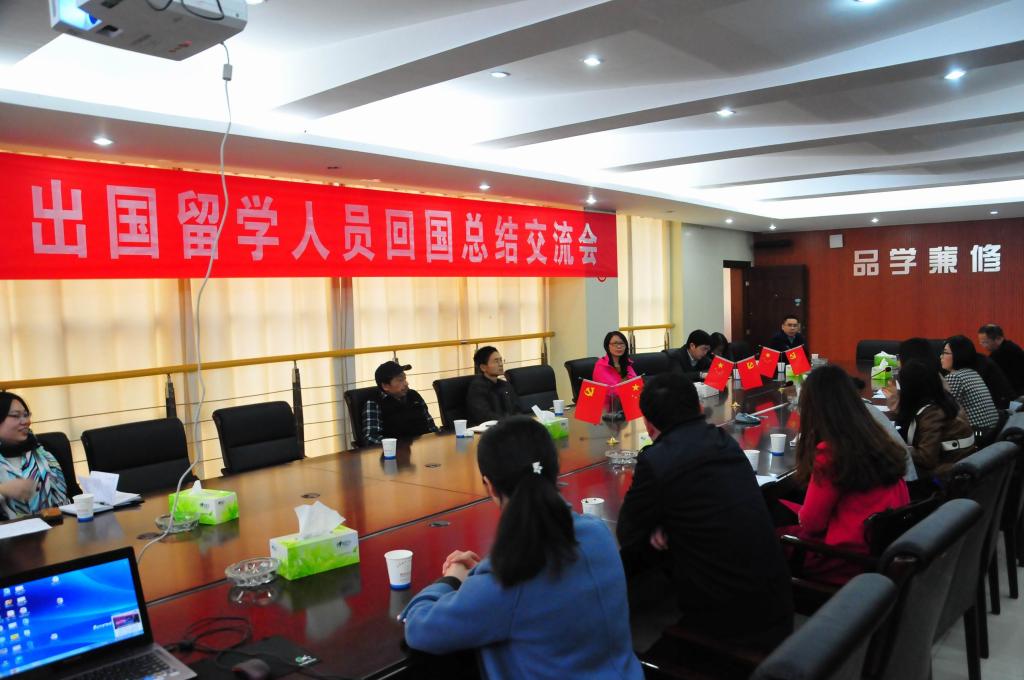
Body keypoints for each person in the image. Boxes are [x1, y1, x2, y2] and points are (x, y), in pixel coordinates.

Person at [401, 417, 643, 680]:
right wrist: (482, 580)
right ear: (555, 472)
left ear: (489, 485)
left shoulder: (508, 578)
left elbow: (418, 629)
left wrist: (451, 580)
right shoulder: (598, 533)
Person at [616, 373, 793, 649]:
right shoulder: (725, 442)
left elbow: (627, 534)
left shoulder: (657, 460)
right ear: (699, 408)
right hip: (778, 606)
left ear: (648, 424)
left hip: (733, 629)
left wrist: (666, 524)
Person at [783, 365, 910, 583]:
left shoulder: (831, 452)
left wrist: (802, 514)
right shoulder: (874, 437)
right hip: (878, 551)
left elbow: (812, 524)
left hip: (844, 559)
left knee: (762, 536)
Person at [894, 360, 975, 493]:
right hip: (960, 464)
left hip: (945, 474)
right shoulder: (943, 399)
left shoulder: (932, 413)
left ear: (910, 389)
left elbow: (926, 458)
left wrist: (897, 447)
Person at [0, 392, 70, 518]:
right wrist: (3, 490)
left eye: (26, 415)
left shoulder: (45, 451)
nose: (26, 421)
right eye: (16, 416)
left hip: (56, 525)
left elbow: (73, 494)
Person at [361, 361, 438, 446]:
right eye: (400, 380)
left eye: (405, 378)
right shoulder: (374, 403)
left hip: (424, 447)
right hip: (395, 451)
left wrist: (437, 439)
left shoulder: (414, 395)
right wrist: (396, 446)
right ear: (385, 386)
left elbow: (431, 425)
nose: (406, 383)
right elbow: (371, 437)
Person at [942, 336, 1000, 435]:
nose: (941, 356)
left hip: (977, 433)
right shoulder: (972, 373)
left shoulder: (955, 377)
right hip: (992, 431)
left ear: (958, 355)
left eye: (945, 353)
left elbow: (945, 411)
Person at [466, 346, 521, 425]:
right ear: (483, 367)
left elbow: (517, 408)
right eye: (496, 361)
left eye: (501, 360)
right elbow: (485, 416)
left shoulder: (505, 385)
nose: (501, 364)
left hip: (510, 426)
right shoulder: (477, 388)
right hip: (491, 429)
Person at [978, 324, 1024, 396]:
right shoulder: (1010, 346)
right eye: (981, 342)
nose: (983, 345)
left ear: (998, 339)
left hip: (1016, 394)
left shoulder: (1002, 352)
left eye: (985, 342)